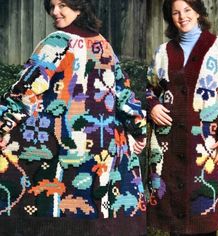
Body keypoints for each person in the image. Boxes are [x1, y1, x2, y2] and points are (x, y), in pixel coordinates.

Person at [0, 0, 146, 235]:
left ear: (79, 6)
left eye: (62, 5)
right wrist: (138, 130)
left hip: (65, 147)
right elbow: (124, 94)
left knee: (59, 212)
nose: (55, 12)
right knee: (93, 212)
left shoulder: (57, 42)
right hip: (101, 148)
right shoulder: (104, 44)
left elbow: (25, 90)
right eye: (52, 5)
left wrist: (3, 123)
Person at [146, 0, 218, 235]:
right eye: (175, 12)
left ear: (198, 12)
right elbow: (149, 89)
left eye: (187, 10)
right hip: (168, 149)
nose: (182, 16)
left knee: (203, 215)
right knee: (174, 220)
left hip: (204, 148)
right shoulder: (163, 51)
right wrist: (152, 106)